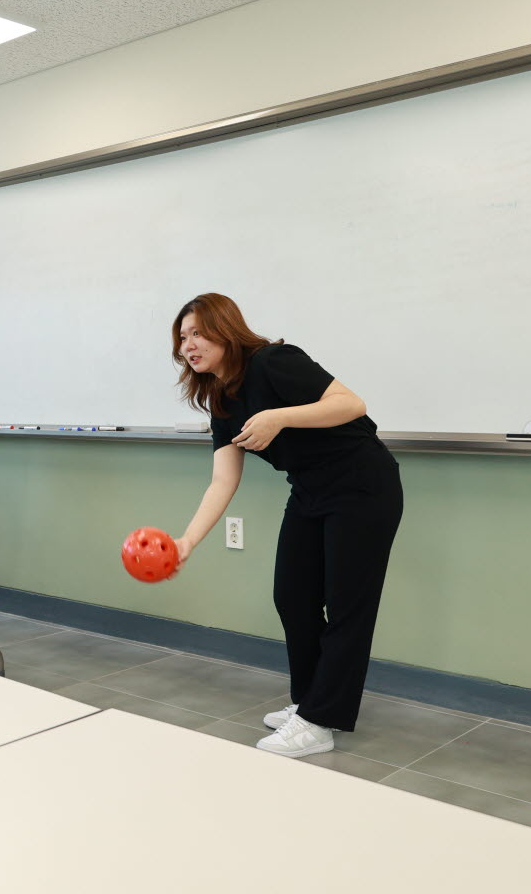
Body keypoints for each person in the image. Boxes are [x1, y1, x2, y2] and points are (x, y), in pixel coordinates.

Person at [169, 293, 403, 757]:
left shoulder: (274, 361)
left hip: (362, 486)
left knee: (347, 607)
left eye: (197, 333)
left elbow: (351, 404)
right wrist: (187, 541)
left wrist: (278, 417)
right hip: (310, 490)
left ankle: (320, 721)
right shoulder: (221, 399)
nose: (187, 346)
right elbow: (222, 480)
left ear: (225, 330)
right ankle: (310, 702)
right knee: (292, 596)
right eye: (181, 338)